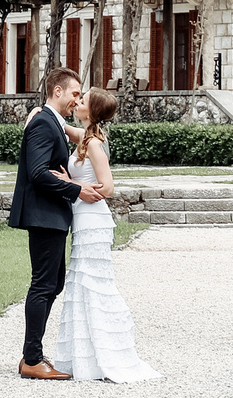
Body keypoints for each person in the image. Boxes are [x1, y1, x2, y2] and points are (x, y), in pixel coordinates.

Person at [56, 86, 159, 382]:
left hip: (93, 222)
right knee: (81, 285)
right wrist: (42, 113)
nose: (77, 103)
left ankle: (110, 352)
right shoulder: (85, 137)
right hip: (83, 221)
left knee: (93, 284)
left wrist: (73, 187)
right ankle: (85, 359)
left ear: (93, 111)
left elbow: (109, 188)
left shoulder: (96, 145)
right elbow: (65, 128)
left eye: (83, 101)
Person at [8, 67, 97, 380]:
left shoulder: (50, 122)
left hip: (52, 216)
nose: (77, 99)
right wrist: (77, 189)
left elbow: (79, 140)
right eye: (74, 93)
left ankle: (32, 354)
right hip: (43, 215)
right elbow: (37, 173)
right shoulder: (45, 124)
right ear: (57, 91)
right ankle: (32, 358)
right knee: (44, 284)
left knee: (53, 283)